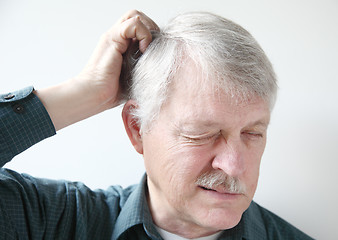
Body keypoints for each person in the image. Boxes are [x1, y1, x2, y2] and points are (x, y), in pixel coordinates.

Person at [0, 10, 313, 240]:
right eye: (202, 133)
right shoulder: (54, 222)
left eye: (252, 133)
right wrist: (86, 91)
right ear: (138, 129)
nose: (234, 165)